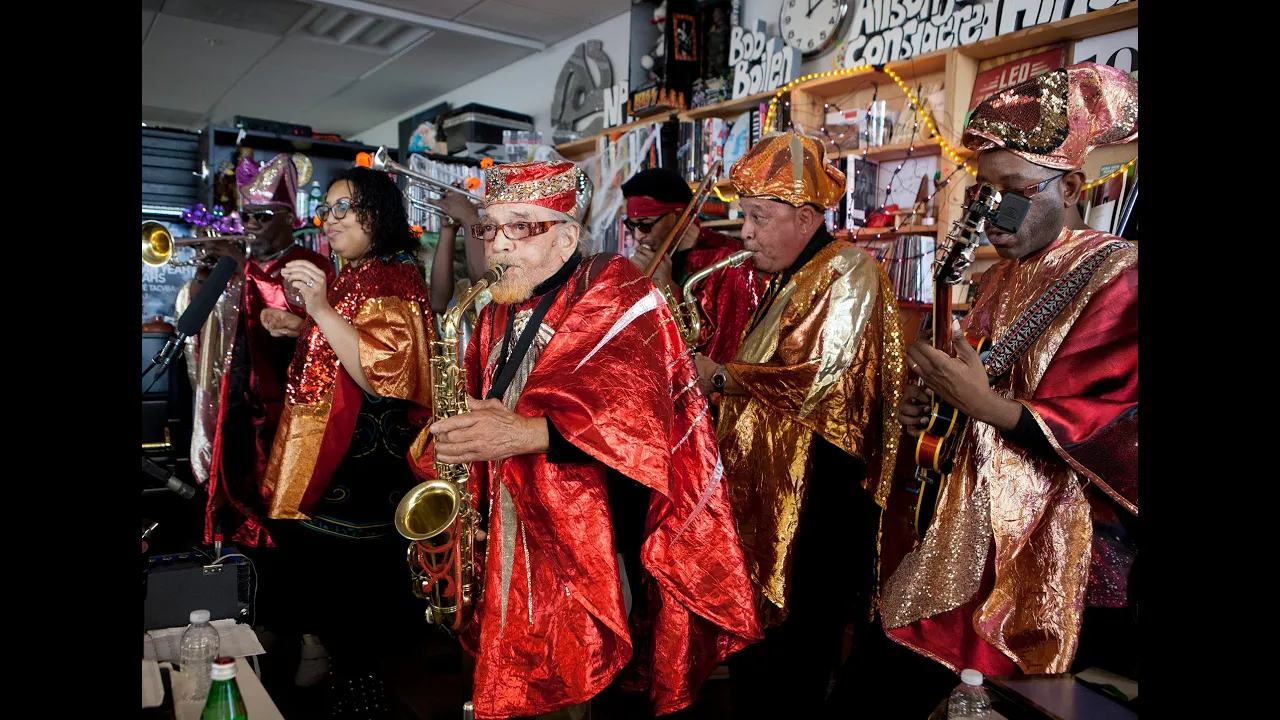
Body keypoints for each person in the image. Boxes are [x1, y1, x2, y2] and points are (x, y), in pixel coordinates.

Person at [420, 160, 762, 719]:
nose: (498, 246)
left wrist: (521, 433)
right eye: (490, 226)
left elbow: (643, 424)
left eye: (520, 226)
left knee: (602, 687)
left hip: (601, 537)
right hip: (513, 526)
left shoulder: (619, 292)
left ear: (567, 236)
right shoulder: (495, 309)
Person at [870, 62, 1138, 710]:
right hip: (973, 539)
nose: (993, 213)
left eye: (1013, 191)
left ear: (1071, 185)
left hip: (1065, 556)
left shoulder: (1117, 273)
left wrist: (981, 405)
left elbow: (1113, 426)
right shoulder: (996, 277)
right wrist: (932, 410)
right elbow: (976, 386)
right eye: (983, 193)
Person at [690, 131, 906, 717]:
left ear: (807, 216)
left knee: (793, 667)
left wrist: (720, 378)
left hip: (818, 508)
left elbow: (821, 380)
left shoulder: (850, 269)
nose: (746, 234)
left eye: (760, 217)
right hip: (773, 499)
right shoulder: (789, 276)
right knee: (761, 667)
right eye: (744, 217)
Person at [258, 166, 435, 717]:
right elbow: (345, 339)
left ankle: (360, 696)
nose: (328, 220)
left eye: (343, 209)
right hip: (340, 456)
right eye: (327, 209)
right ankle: (338, 675)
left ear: (377, 217)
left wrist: (317, 311)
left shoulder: (392, 278)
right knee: (329, 592)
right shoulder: (360, 273)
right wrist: (304, 327)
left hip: (363, 466)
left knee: (351, 604)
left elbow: (382, 372)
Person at [198, 152, 334, 548]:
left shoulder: (310, 263)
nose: (252, 225)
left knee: (276, 499)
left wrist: (241, 265)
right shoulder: (241, 264)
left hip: (283, 406)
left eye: (264, 216)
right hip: (237, 397)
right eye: (248, 216)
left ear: (290, 219)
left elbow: (303, 323)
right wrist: (208, 277)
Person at [622, 167, 760, 364]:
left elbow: (724, 346)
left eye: (646, 224)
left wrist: (668, 288)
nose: (638, 236)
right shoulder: (656, 256)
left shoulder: (727, 258)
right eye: (631, 226)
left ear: (679, 215)